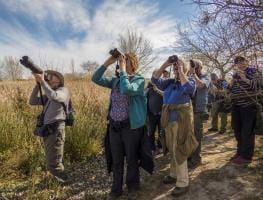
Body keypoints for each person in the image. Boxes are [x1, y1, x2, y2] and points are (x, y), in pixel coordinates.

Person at [92, 52, 149, 200]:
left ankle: (132, 187)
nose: (124, 63)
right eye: (123, 61)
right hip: (114, 127)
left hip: (130, 127)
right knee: (117, 160)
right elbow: (95, 78)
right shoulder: (115, 81)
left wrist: (123, 71)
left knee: (131, 159)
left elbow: (127, 89)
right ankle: (116, 189)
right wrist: (108, 62)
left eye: (127, 61)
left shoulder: (139, 79)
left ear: (133, 64)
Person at [152, 57, 198, 197]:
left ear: (184, 68)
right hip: (168, 121)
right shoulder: (170, 82)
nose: (176, 69)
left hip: (180, 121)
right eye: (175, 67)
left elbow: (189, 89)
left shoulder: (190, 80)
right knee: (171, 148)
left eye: (179, 66)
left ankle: (183, 182)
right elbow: (155, 80)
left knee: (179, 149)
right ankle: (173, 174)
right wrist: (167, 63)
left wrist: (181, 70)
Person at [29, 70, 70, 183]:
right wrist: (38, 84)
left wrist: (42, 81)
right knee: (52, 157)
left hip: (57, 129)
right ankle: (59, 178)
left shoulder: (63, 91)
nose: (49, 78)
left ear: (59, 80)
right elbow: (32, 101)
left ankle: (64, 181)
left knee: (53, 162)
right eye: (48, 77)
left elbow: (54, 96)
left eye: (52, 77)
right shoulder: (49, 93)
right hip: (48, 129)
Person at [229, 56, 257, 165]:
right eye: (237, 62)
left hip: (248, 106)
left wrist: (244, 78)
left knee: (247, 132)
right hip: (236, 106)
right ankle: (240, 152)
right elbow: (229, 89)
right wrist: (231, 82)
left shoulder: (253, 72)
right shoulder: (235, 74)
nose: (239, 63)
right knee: (237, 130)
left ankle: (247, 156)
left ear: (247, 61)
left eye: (241, 61)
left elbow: (258, 86)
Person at [187, 59, 210, 169]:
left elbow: (201, 85)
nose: (195, 69)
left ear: (201, 68)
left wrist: (193, 75)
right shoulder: (190, 76)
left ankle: (196, 159)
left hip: (199, 111)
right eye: (193, 67)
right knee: (188, 134)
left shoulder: (206, 77)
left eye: (197, 67)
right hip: (188, 110)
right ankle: (190, 156)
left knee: (197, 135)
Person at [145, 81, 163, 153]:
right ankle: (152, 147)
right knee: (151, 132)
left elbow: (165, 97)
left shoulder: (161, 87)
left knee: (161, 131)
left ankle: (160, 146)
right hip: (151, 114)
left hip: (161, 114)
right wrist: (147, 87)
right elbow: (144, 96)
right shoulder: (148, 89)